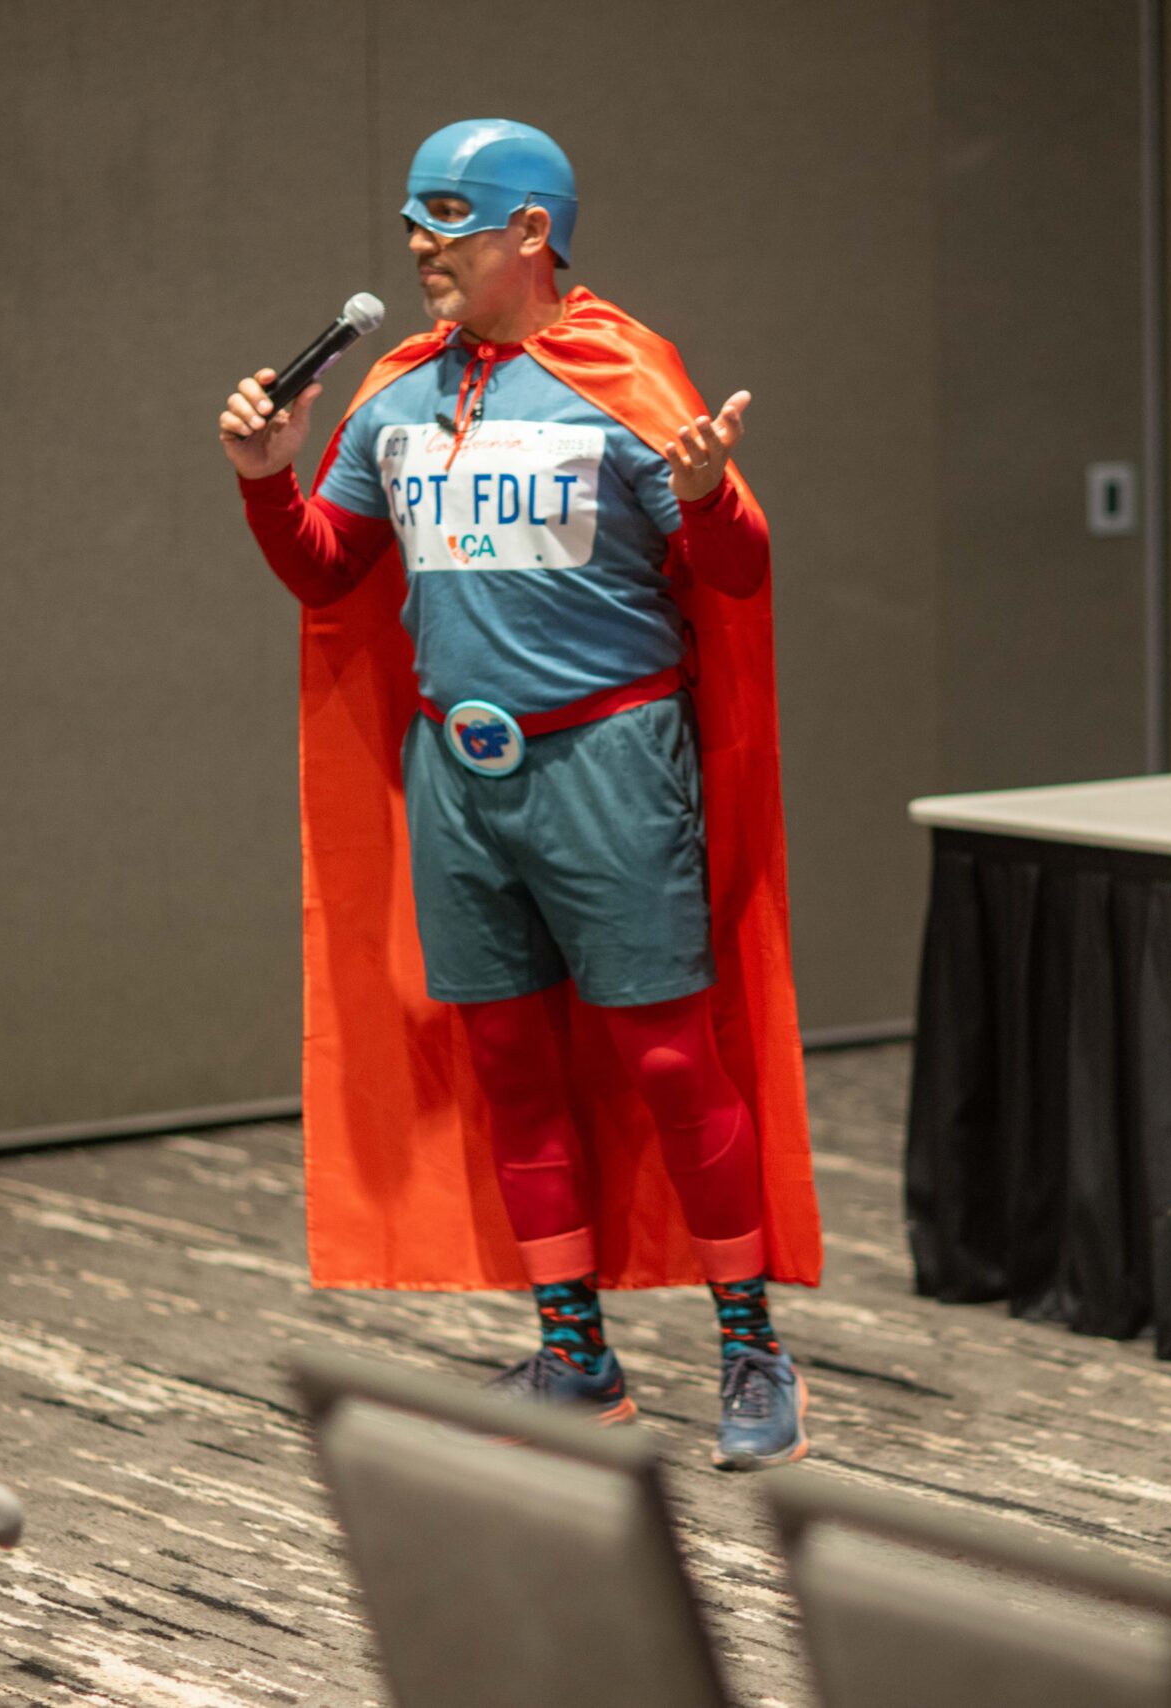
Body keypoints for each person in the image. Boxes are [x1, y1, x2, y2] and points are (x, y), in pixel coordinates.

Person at [218, 118, 820, 1470]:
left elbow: (733, 574)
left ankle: (750, 1349)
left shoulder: (623, 371)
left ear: (531, 231)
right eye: (412, 221)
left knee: (669, 1058)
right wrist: (268, 484)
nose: (420, 247)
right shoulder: (394, 391)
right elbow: (329, 573)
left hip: (608, 764)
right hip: (458, 771)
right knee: (510, 1067)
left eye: (446, 218)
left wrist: (715, 498)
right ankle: (576, 1355)